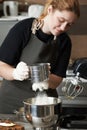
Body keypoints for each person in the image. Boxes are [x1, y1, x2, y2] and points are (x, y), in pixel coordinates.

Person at [0, 0, 80, 114]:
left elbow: (56, 80)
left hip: (42, 107)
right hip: (9, 105)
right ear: (50, 10)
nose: (63, 27)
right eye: (61, 20)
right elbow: (1, 66)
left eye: (69, 24)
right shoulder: (24, 28)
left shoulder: (64, 41)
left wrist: (44, 77)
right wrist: (15, 73)